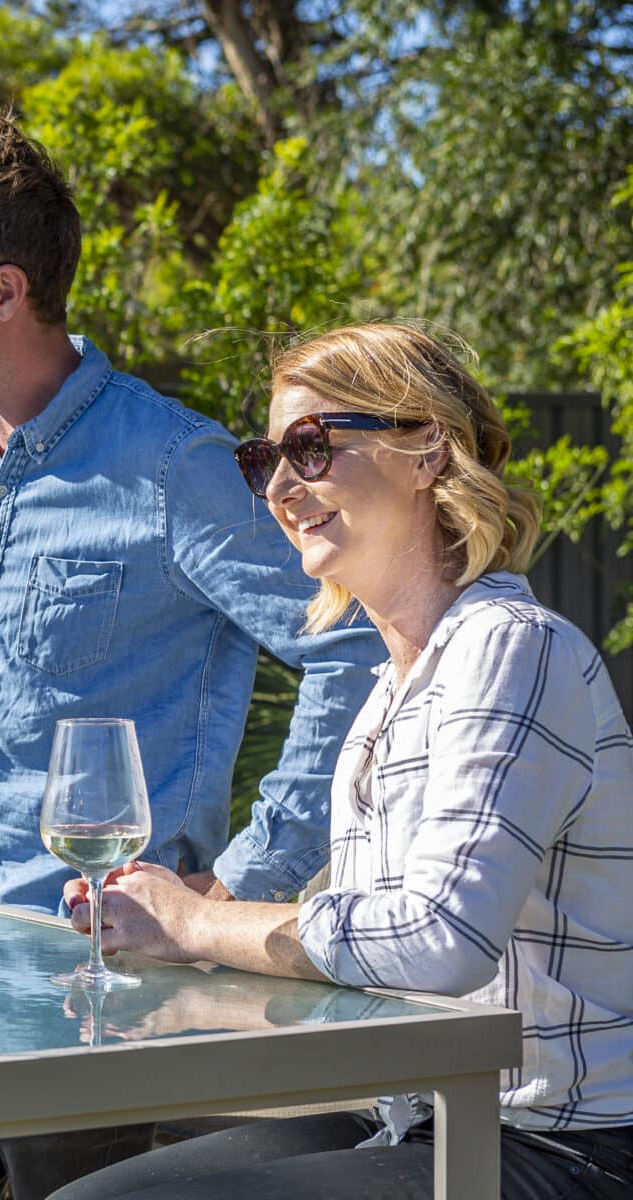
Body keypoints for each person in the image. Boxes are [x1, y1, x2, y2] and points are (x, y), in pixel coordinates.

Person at [0, 111, 386, 1197]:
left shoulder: (172, 465)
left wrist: (237, 883)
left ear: (4, 289)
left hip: (103, 997)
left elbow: (355, 645)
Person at [52, 323, 633, 1199]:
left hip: (554, 1143)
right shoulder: (391, 690)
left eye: (312, 447)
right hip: (418, 1109)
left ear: (428, 449)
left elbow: (441, 939)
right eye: (264, 461)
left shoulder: (515, 649)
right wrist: (180, 930)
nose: (280, 487)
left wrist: (200, 925)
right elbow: (368, 929)